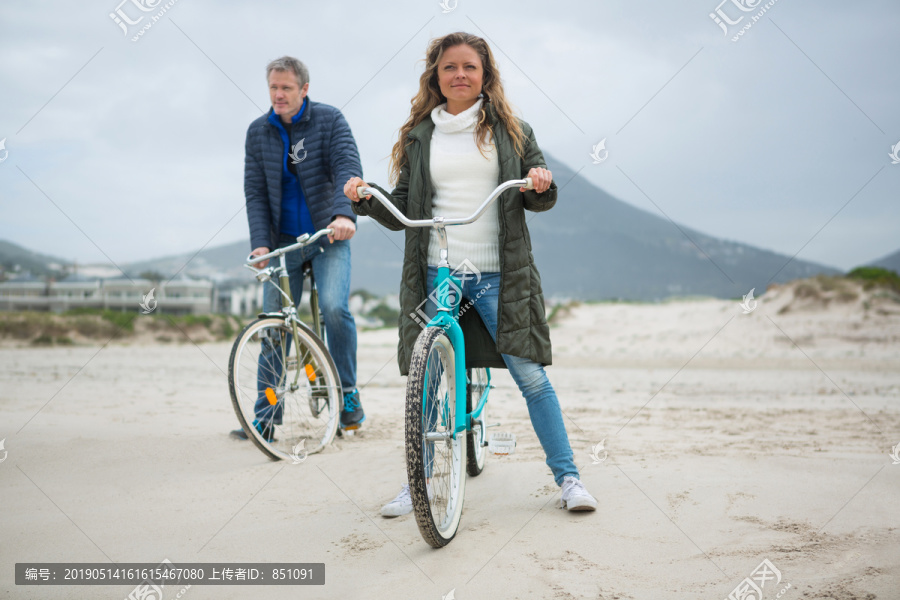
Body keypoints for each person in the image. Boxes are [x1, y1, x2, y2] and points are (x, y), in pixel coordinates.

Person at [344, 32, 596, 514]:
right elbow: (402, 207)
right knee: (432, 379)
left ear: (485, 75)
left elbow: (540, 194)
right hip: (443, 272)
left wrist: (539, 182)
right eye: (449, 68)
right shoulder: (419, 137)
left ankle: (569, 480)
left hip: (501, 273)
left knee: (531, 376)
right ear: (435, 77)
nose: (459, 74)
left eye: (469, 67)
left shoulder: (513, 130)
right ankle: (419, 481)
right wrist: (365, 197)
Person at [232, 55, 364, 440]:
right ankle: (266, 418)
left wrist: (345, 215)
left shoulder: (329, 120)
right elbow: (255, 193)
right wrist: (260, 246)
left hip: (328, 236)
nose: (278, 94)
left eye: (286, 88)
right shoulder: (258, 132)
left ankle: (349, 397)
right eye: (273, 87)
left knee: (336, 309)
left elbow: (346, 166)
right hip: (282, 243)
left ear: (304, 89)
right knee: (274, 323)